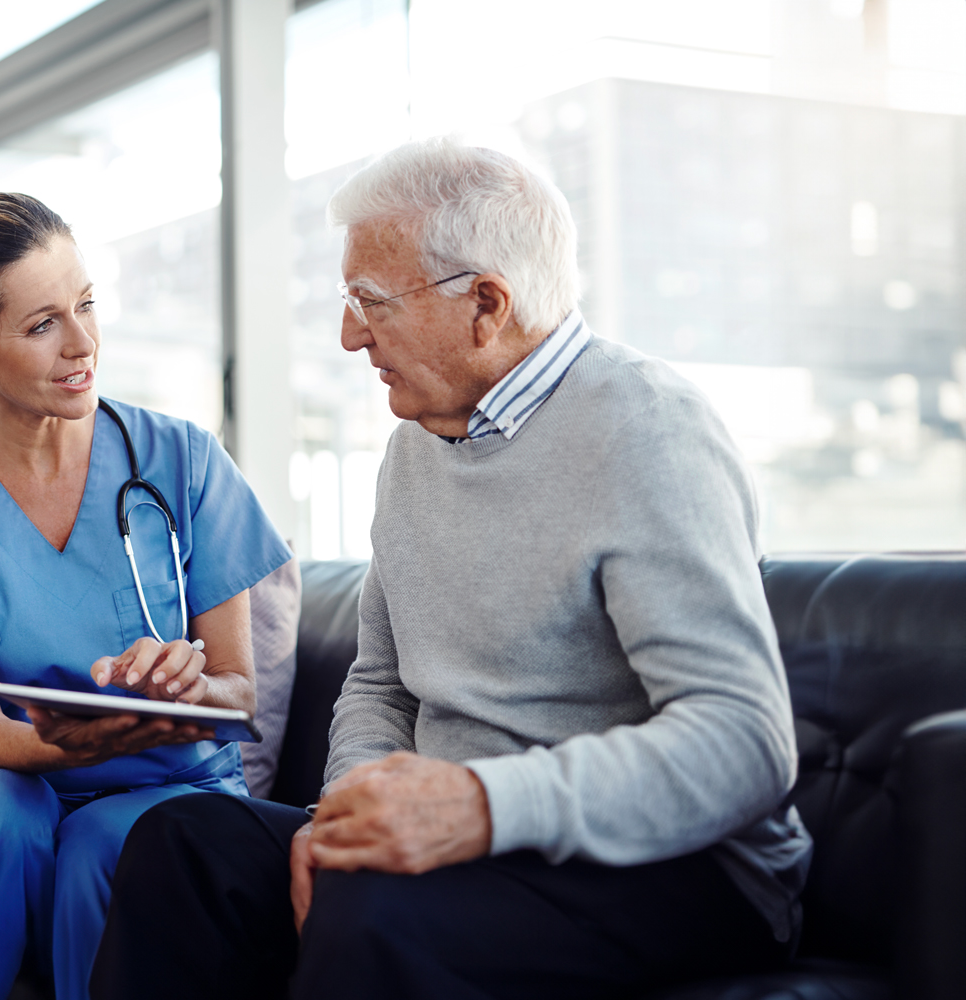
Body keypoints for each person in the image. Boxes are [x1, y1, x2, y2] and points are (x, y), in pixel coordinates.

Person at [91, 140, 814, 1000]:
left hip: (681, 867)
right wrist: (348, 816)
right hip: (469, 845)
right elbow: (382, 685)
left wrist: (477, 806)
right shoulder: (414, 449)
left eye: (371, 302)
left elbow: (744, 742)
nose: (349, 334)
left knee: (375, 911)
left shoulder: (647, 431)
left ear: (486, 304)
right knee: (185, 843)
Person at [0, 192, 290, 1000]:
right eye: (41, 325)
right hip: (12, 779)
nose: (84, 343)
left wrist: (187, 689)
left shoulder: (184, 459)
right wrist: (80, 745)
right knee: (1, 814)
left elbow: (239, 691)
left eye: (87, 305)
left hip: (175, 784)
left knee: (109, 839)